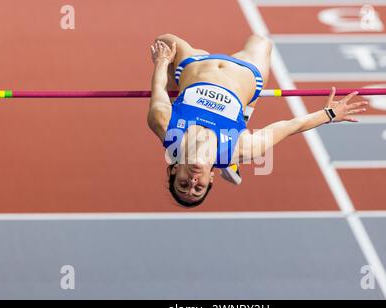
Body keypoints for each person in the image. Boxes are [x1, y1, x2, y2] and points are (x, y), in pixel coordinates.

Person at [147, 34, 367, 208]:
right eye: (198, 188)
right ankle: (244, 112)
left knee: (164, 40)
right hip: (245, 72)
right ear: (210, 179)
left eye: (184, 185)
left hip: (194, 64)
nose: (193, 183)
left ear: (173, 171)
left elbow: (158, 90)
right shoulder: (240, 149)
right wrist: (328, 115)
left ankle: (240, 114)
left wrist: (162, 62)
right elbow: (289, 126)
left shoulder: (166, 128)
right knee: (262, 41)